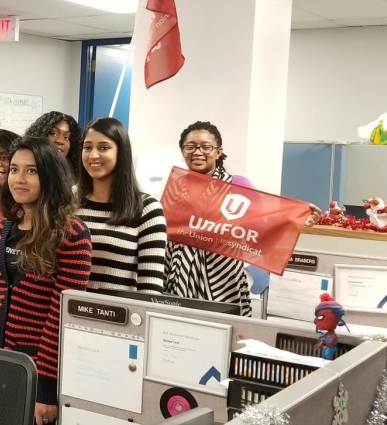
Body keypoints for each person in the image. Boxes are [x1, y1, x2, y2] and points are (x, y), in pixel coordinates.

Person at [0, 136, 92, 425]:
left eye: (31, 171)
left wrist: (45, 388)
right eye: (14, 170)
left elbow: (62, 317)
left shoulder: (71, 234)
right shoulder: (3, 229)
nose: (18, 179)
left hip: (34, 367)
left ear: (50, 177)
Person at [165, 121, 254, 315]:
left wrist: (297, 220)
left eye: (206, 147)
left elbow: (264, 225)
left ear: (218, 151)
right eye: (190, 146)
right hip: (178, 277)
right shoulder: (173, 186)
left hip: (225, 279)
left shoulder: (238, 185)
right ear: (182, 151)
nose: (197, 152)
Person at [76, 117, 167, 294]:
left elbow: (150, 289)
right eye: (87, 147)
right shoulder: (66, 200)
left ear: (121, 152)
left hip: (117, 317)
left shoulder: (147, 209)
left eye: (103, 147)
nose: (93, 155)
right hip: (65, 315)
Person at [25, 111, 80, 183]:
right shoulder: (27, 168)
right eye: (53, 134)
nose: (60, 141)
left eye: (66, 137)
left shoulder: (75, 181)